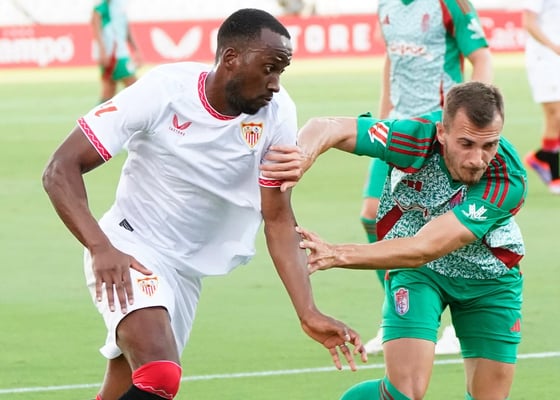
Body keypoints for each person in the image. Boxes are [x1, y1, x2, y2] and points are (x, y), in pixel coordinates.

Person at [42, 8, 365, 400]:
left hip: (187, 272)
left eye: (281, 71)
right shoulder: (164, 90)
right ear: (230, 58)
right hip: (132, 249)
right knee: (160, 374)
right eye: (268, 69)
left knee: (131, 388)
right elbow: (59, 168)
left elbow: (278, 219)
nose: (275, 84)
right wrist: (100, 246)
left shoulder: (278, 113)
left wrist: (308, 311)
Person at [268, 81, 526, 400]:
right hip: (420, 274)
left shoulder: (507, 177)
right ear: (442, 132)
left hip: (488, 279)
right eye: (466, 144)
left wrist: (337, 253)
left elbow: (426, 247)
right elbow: (326, 127)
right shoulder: (412, 138)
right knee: (402, 394)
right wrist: (303, 157)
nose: (477, 159)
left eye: (489, 145)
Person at [360, 0, 493, 355]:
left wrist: (476, 121)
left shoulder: (450, 4)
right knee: (372, 215)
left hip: (439, 127)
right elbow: (392, 59)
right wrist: (383, 119)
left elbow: (481, 57)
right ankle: (398, 315)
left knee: (450, 226)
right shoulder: (386, 5)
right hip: (398, 127)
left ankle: (460, 322)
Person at [522, 0, 560, 194]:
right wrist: (554, 46)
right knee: (555, 115)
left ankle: (541, 157)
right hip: (545, 60)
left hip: (555, 59)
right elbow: (528, 22)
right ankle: (554, 172)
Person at [91, 0, 142, 104]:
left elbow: (125, 27)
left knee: (109, 90)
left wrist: (136, 49)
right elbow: (96, 26)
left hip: (120, 52)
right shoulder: (102, 5)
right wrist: (102, 51)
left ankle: (98, 114)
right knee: (134, 86)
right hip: (112, 54)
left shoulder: (120, 4)